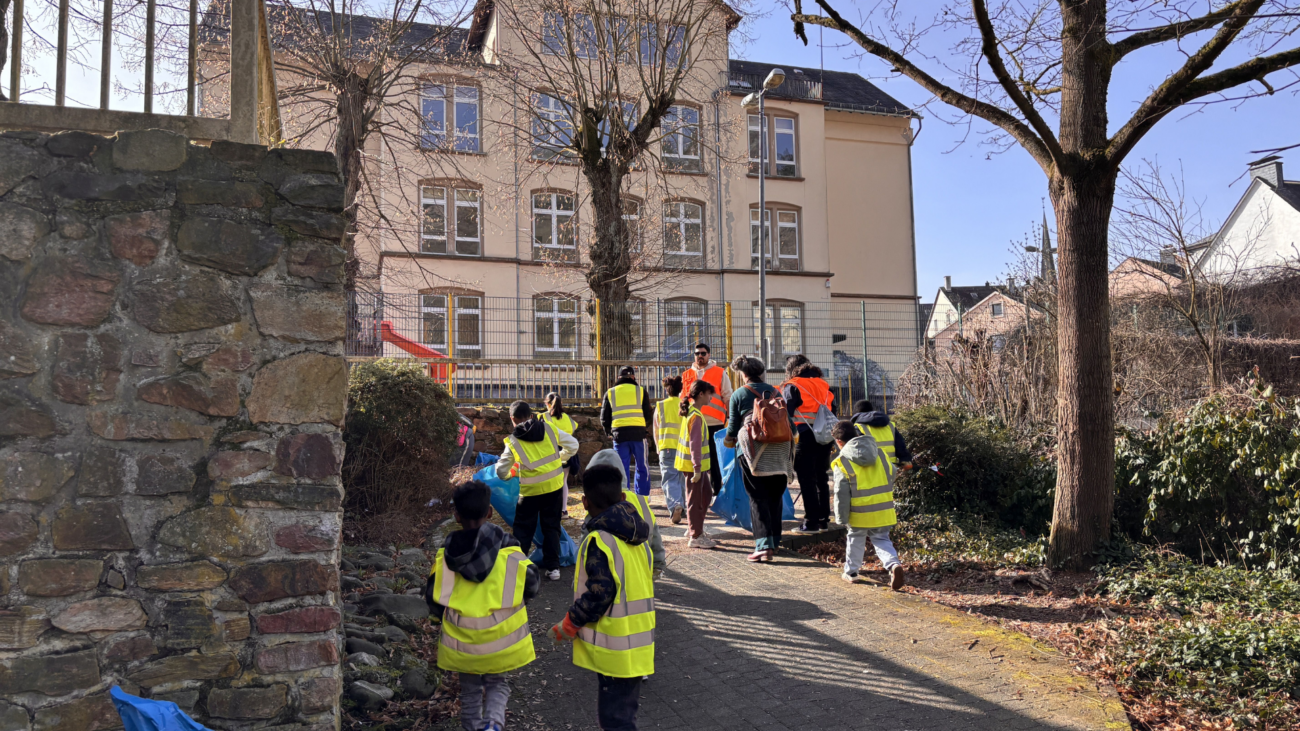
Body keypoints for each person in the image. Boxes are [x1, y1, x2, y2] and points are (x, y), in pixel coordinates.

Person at [425, 480, 540, 731]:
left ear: (456, 516)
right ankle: (493, 725)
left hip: (463, 643)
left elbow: (433, 598)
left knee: (470, 693)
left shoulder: (444, 557)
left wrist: (437, 621)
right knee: (498, 684)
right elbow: (532, 583)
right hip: (502, 641)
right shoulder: (510, 551)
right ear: (490, 512)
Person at [548, 464, 655, 731]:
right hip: (639, 640)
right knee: (625, 714)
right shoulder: (637, 537)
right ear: (622, 498)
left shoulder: (600, 541)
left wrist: (569, 624)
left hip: (614, 649)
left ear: (584, 502)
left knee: (615, 720)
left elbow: (599, 594)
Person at [723, 355, 794, 563]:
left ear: (743, 374)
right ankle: (774, 542)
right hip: (780, 450)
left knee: (757, 497)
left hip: (754, 451)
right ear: (761, 372)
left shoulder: (739, 394)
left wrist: (728, 442)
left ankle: (763, 547)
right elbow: (790, 423)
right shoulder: (776, 391)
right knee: (775, 497)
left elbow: (733, 428)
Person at [496, 400, 579, 581]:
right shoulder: (549, 428)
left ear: (512, 419)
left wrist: (512, 473)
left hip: (530, 492)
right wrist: (560, 459)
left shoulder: (513, 441)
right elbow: (573, 445)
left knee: (523, 530)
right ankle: (553, 568)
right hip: (554, 488)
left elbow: (501, 472)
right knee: (552, 527)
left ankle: (518, 568)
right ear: (532, 415)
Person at [830, 420, 905, 590]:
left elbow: (841, 494)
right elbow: (892, 473)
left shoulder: (842, 462)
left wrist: (841, 517)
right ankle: (893, 565)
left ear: (838, 442)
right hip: (883, 508)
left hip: (859, 512)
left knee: (855, 539)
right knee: (882, 539)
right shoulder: (879, 452)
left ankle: (851, 573)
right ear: (856, 434)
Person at [587, 449, 667, 576]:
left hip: (608, 572)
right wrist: (658, 563)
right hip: (641, 569)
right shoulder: (640, 501)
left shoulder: (596, 503)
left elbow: (585, 542)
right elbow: (654, 532)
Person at [781, 355, 836, 533]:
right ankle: (823, 520)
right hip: (825, 435)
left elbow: (786, 413)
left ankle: (810, 522)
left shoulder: (793, 385)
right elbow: (833, 409)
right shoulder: (823, 384)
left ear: (791, 369)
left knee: (806, 479)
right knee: (821, 477)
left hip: (804, 436)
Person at [680, 342, 732, 496]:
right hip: (694, 422)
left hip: (715, 422)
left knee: (715, 460)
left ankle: (716, 492)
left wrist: (729, 418)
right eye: (697, 353)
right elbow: (682, 398)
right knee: (695, 458)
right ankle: (699, 491)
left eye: (703, 353)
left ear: (709, 355)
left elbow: (728, 396)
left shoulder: (720, 372)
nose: (700, 356)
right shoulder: (687, 375)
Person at [599, 366, 654, 497]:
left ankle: (624, 495)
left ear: (618, 378)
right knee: (642, 466)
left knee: (621, 467)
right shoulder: (640, 391)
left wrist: (608, 432)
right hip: (638, 435)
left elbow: (604, 417)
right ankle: (643, 497)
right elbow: (648, 414)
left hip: (619, 436)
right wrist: (644, 427)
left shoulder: (610, 392)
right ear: (633, 377)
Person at [677, 380, 717, 549]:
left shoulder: (693, 413)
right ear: (701, 394)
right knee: (696, 499)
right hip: (693, 467)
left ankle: (694, 528)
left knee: (706, 495)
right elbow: (695, 445)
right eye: (709, 394)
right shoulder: (695, 416)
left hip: (694, 466)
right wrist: (697, 468)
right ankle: (695, 535)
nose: (711, 398)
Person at [652, 376, 686, 524]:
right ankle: (683, 506)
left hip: (667, 447)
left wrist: (658, 447)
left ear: (666, 390)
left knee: (670, 478)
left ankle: (675, 505)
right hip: (684, 447)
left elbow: (656, 429)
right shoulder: (685, 405)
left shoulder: (661, 406)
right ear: (681, 390)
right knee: (682, 478)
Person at [850, 400, 914, 477]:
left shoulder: (859, 427)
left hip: (870, 470)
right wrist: (905, 459)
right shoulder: (890, 426)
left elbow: (856, 451)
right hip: (890, 468)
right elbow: (900, 444)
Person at [542, 392, 581, 518]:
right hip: (568, 451)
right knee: (563, 481)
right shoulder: (568, 419)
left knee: (548, 481)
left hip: (550, 451)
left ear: (547, 404)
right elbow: (575, 427)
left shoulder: (543, 417)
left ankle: (550, 509)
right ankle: (563, 510)